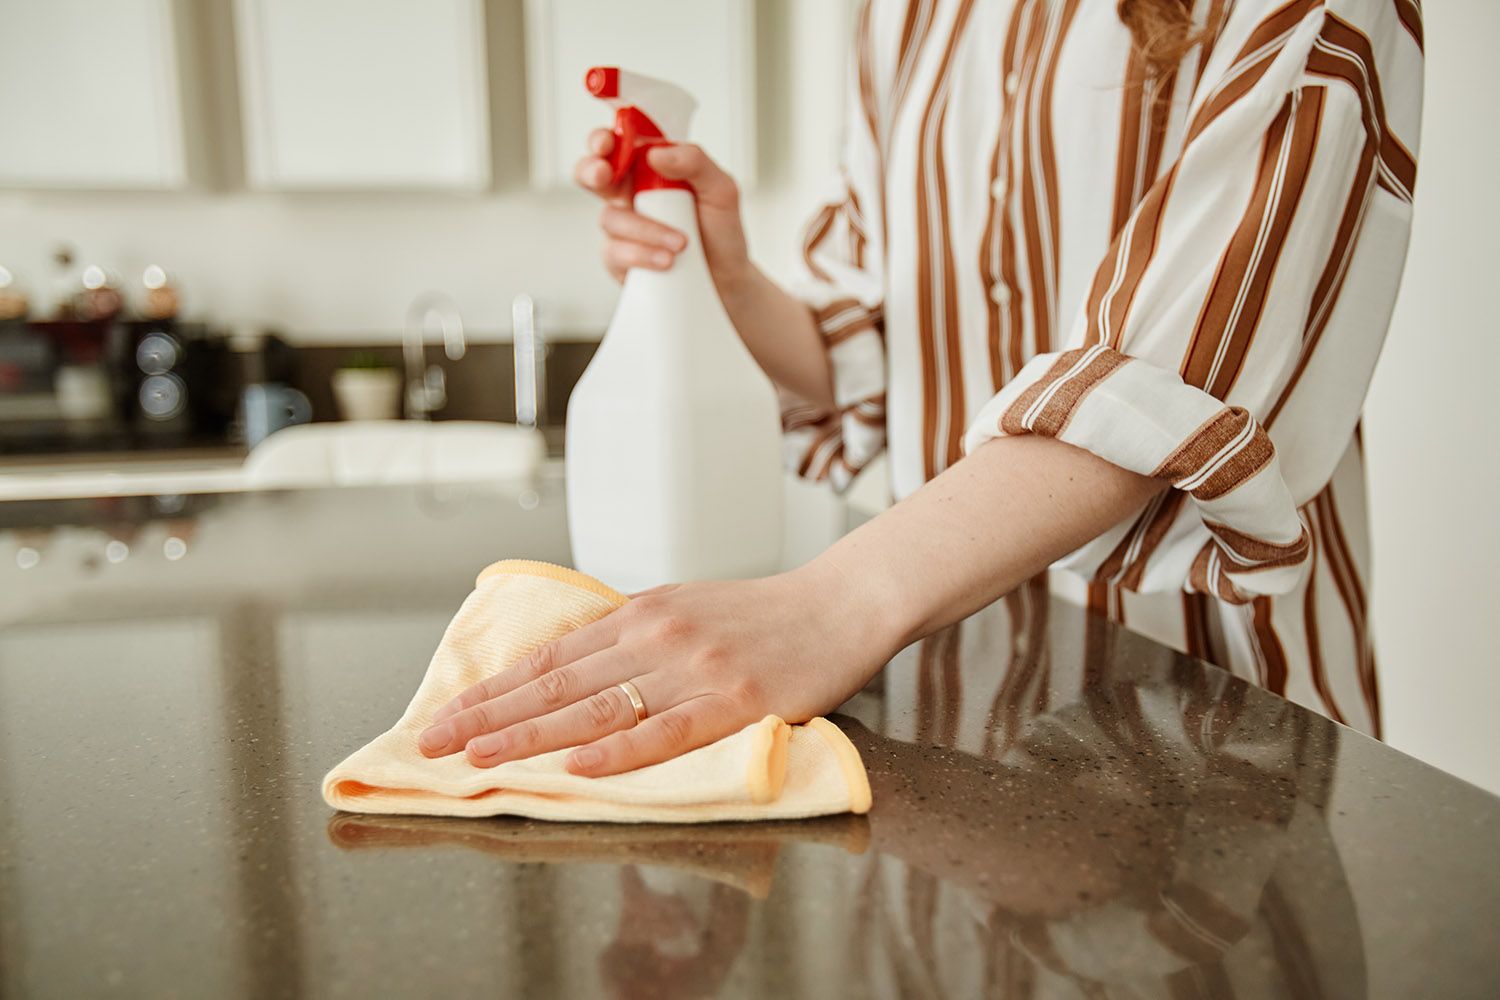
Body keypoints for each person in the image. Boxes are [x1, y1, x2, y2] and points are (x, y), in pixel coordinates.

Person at [418, 0, 1424, 776]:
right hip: (955, 703)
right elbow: (885, 358)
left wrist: (828, 606)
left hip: (1209, 709)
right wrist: (730, 278)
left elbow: (1182, 369)